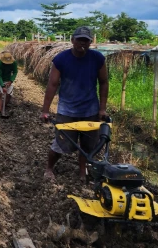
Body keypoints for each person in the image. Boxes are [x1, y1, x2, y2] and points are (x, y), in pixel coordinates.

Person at [40, 26, 108, 182]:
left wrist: (102, 108)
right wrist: (45, 110)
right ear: (72, 40)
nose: (82, 43)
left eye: (86, 40)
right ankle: (49, 168)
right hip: (67, 110)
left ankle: (82, 172)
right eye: (79, 40)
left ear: (91, 42)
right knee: (62, 144)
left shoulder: (97, 59)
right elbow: (52, 84)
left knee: (88, 146)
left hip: (90, 109)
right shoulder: (61, 59)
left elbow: (104, 82)